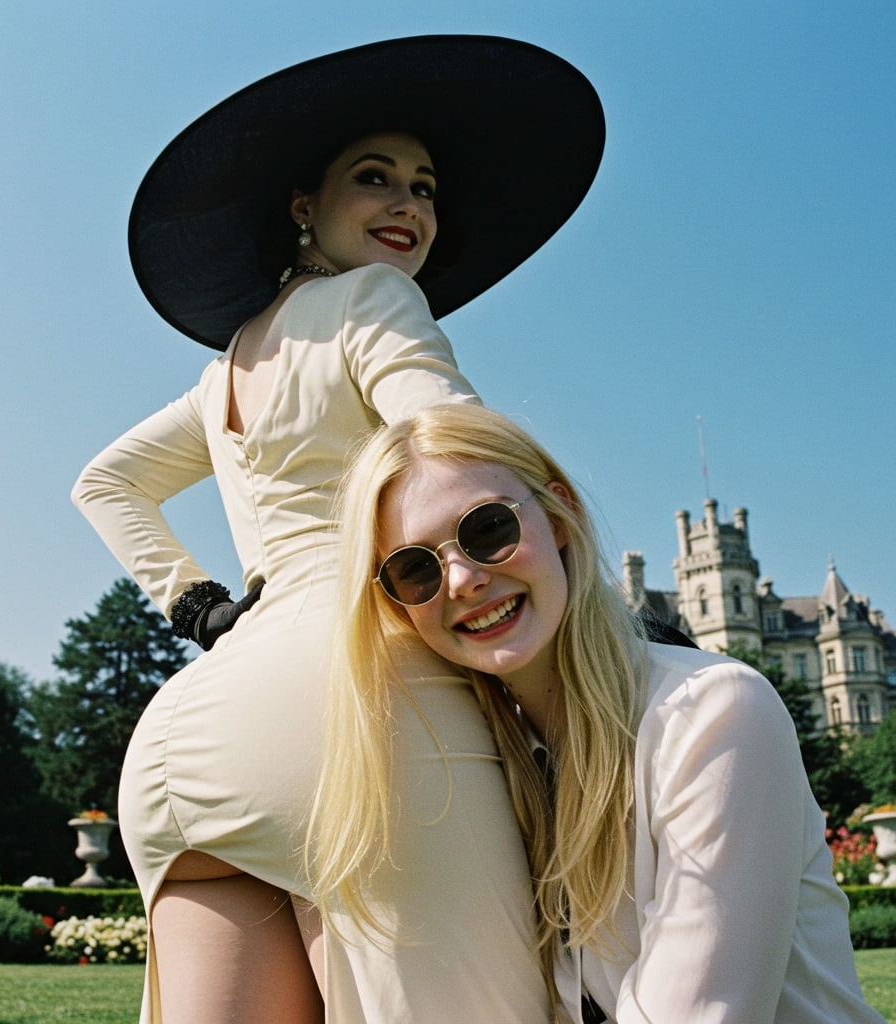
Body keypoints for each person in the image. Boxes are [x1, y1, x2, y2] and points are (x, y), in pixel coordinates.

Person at [72, 35, 604, 1024]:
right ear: (302, 207)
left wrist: (201, 609)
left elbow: (106, 485)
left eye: (425, 187)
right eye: (374, 177)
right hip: (366, 707)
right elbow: (451, 448)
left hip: (193, 739)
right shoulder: (375, 298)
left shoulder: (222, 374)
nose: (409, 204)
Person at [313, 402, 889, 1024]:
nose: (461, 580)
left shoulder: (712, 714)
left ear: (560, 515)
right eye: (414, 569)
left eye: (488, 529)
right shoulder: (495, 764)